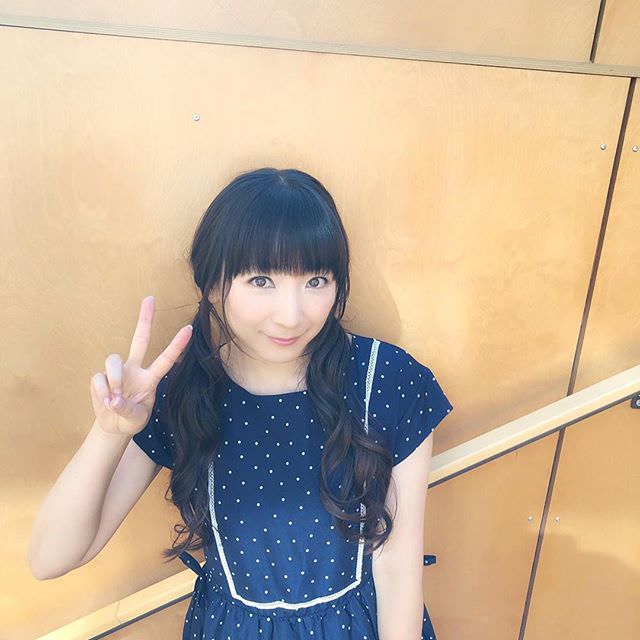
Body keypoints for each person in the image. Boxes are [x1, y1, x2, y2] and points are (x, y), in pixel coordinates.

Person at [28, 167, 454, 639]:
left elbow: (397, 568)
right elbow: (50, 559)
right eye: (261, 280)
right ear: (212, 285)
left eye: (316, 280)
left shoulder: (386, 380)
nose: (291, 315)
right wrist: (109, 432)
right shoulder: (183, 393)